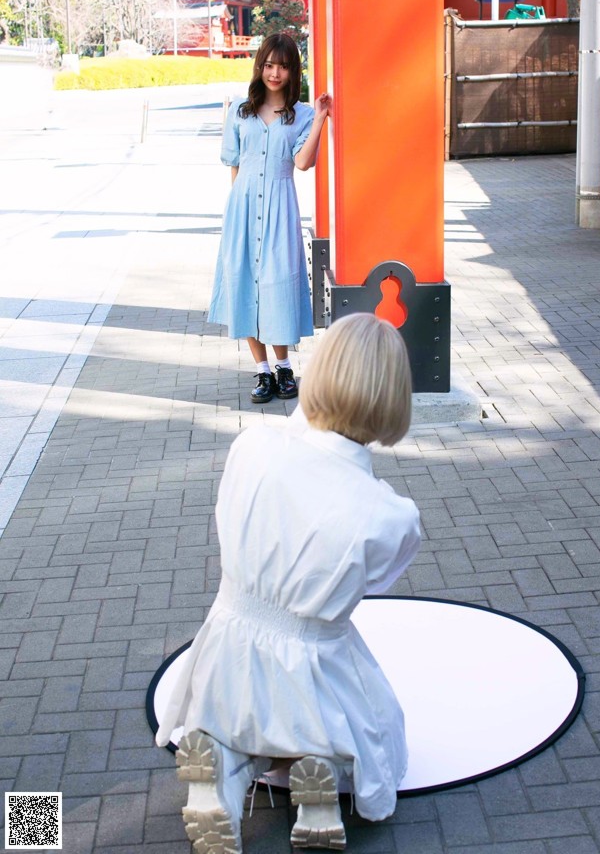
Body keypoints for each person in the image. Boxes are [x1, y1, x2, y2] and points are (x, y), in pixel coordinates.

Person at [156, 313, 421, 853]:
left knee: (234, 723)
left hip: (226, 647)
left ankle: (222, 774)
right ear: (395, 396)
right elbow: (373, 585)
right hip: (312, 664)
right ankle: (317, 776)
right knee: (372, 732)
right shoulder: (390, 516)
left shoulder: (251, 448)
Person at [209, 32, 332, 404]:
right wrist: (237, 211)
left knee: (278, 285)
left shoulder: (303, 115)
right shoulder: (240, 111)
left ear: (293, 70)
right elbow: (233, 164)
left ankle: (284, 367)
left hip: (280, 207)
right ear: (259, 67)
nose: (274, 73)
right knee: (246, 283)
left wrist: (322, 119)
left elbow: (303, 162)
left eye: (282, 66)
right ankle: (262, 371)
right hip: (243, 210)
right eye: (268, 65)